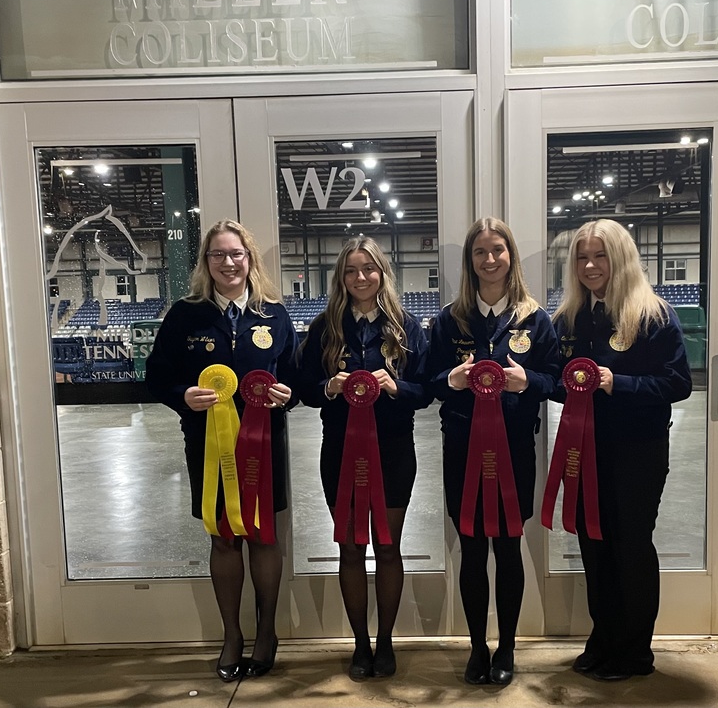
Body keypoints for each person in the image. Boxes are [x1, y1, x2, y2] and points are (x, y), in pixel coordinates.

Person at [146, 219, 298, 682]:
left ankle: (267, 633)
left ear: (249, 259)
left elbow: (297, 377)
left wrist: (287, 394)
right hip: (207, 444)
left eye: (236, 254)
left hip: (265, 443)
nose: (228, 263)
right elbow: (157, 377)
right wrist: (183, 395)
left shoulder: (274, 314)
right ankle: (232, 635)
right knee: (223, 537)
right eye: (218, 254)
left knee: (264, 535)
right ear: (206, 262)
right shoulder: (184, 315)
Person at [551, 218, 691, 681]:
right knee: (594, 546)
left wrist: (618, 383)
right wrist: (524, 380)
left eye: (600, 256)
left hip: (637, 451)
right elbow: (558, 382)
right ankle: (604, 639)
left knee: (630, 547)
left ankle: (634, 652)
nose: (590, 266)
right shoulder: (569, 318)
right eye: (582, 257)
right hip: (583, 450)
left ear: (622, 258)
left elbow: (678, 383)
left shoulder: (653, 314)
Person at [426, 217, 559, 686]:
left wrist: (529, 381)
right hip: (462, 450)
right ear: (470, 260)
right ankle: (477, 648)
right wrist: (450, 379)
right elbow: (428, 383)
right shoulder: (449, 320)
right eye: (480, 251)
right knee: (471, 548)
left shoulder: (535, 319)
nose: (489, 259)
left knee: (507, 547)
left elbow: (558, 381)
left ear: (510, 255)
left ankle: (507, 648)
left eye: (497, 250)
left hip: (514, 452)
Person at [298, 237, 431, 679]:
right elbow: (304, 388)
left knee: (388, 547)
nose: (361, 277)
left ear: (382, 273)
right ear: (341, 277)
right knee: (351, 549)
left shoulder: (406, 327)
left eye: (369, 269)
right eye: (351, 270)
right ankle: (359, 644)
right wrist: (328, 387)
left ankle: (386, 642)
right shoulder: (324, 327)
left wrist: (396, 387)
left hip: (394, 450)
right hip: (340, 451)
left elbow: (426, 390)